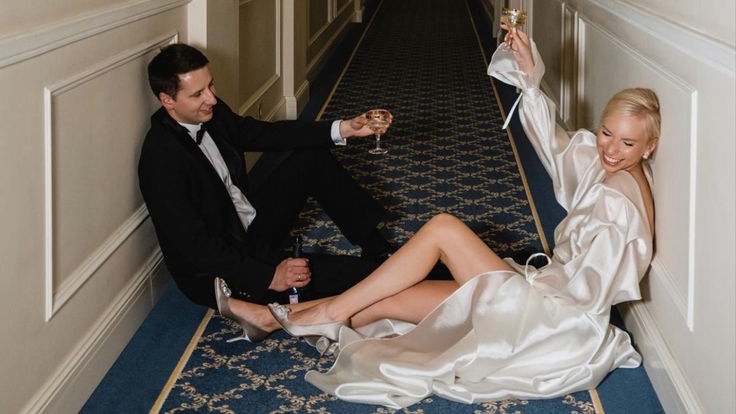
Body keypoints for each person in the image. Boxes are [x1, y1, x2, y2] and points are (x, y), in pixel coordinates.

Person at [215, 26, 660, 407]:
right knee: (384, 301)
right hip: (536, 291)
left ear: (648, 148)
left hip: (549, 318)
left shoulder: (618, 207)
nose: (609, 149)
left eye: (626, 143)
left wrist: (529, 289)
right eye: (606, 133)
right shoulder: (606, 164)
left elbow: (586, 297)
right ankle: (272, 318)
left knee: (444, 227)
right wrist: (528, 75)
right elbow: (554, 143)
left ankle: (325, 311)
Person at [138, 43, 394, 317]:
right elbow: (195, 248)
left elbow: (264, 134)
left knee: (311, 158)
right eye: (198, 94)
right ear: (168, 101)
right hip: (228, 263)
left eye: (211, 86)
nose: (211, 99)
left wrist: (345, 128)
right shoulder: (160, 159)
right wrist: (268, 276)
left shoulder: (207, 111)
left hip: (248, 223)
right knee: (372, 279)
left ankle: (378, 249)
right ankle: (398, 269)